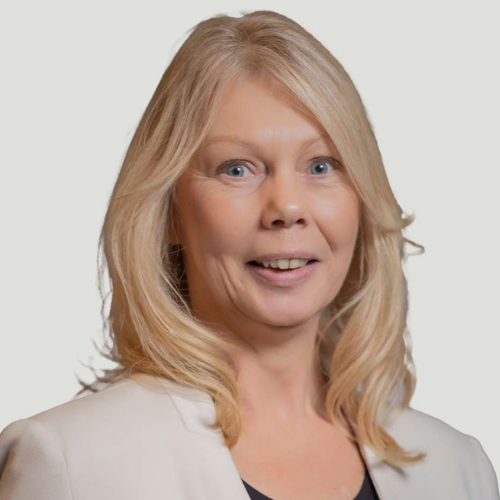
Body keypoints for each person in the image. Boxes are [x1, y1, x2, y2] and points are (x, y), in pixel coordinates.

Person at [0, 9, 498, 500]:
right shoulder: (70, 463)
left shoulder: (460, 467)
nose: (287, 208)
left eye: (321, 165)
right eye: (237, 169)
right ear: (169, 212)